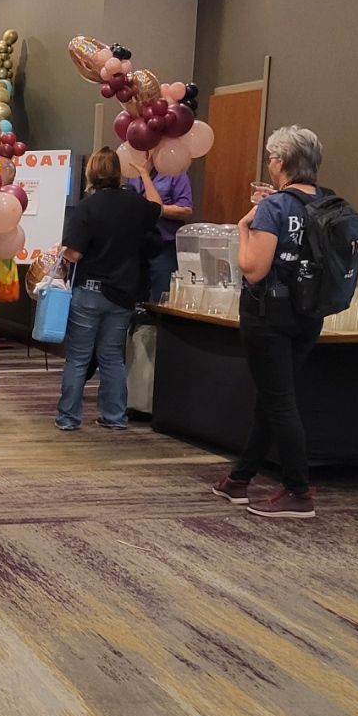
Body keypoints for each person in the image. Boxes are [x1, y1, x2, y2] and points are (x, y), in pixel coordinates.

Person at [213, 126, 326, 519]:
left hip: (268, 315)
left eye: (269, 158)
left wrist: (245, 227)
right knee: (273, 395)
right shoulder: (327, 204)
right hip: (309, 315)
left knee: (278, 400)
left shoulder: (275, 208)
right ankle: (239, 479)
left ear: (279, 162)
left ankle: (298, 491)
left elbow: (253, 268)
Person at [54, 145, 159, 431]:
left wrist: (59, 252)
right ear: (117, 171)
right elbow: (157, 206)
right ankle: (114, 417)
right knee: (112, 357)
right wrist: (144, 174)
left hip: (89, 290)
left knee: (78, 357)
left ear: (91, 172)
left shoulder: (87, 206)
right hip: (123, 293)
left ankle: (68, 418)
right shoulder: (135, 204)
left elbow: (74, 253)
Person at [125, 157, 193, 300]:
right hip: (137, 246)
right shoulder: (133, 174)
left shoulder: (176, 172)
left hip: (164, 247)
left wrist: (156, 209)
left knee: (160, 297)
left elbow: (186, 210)